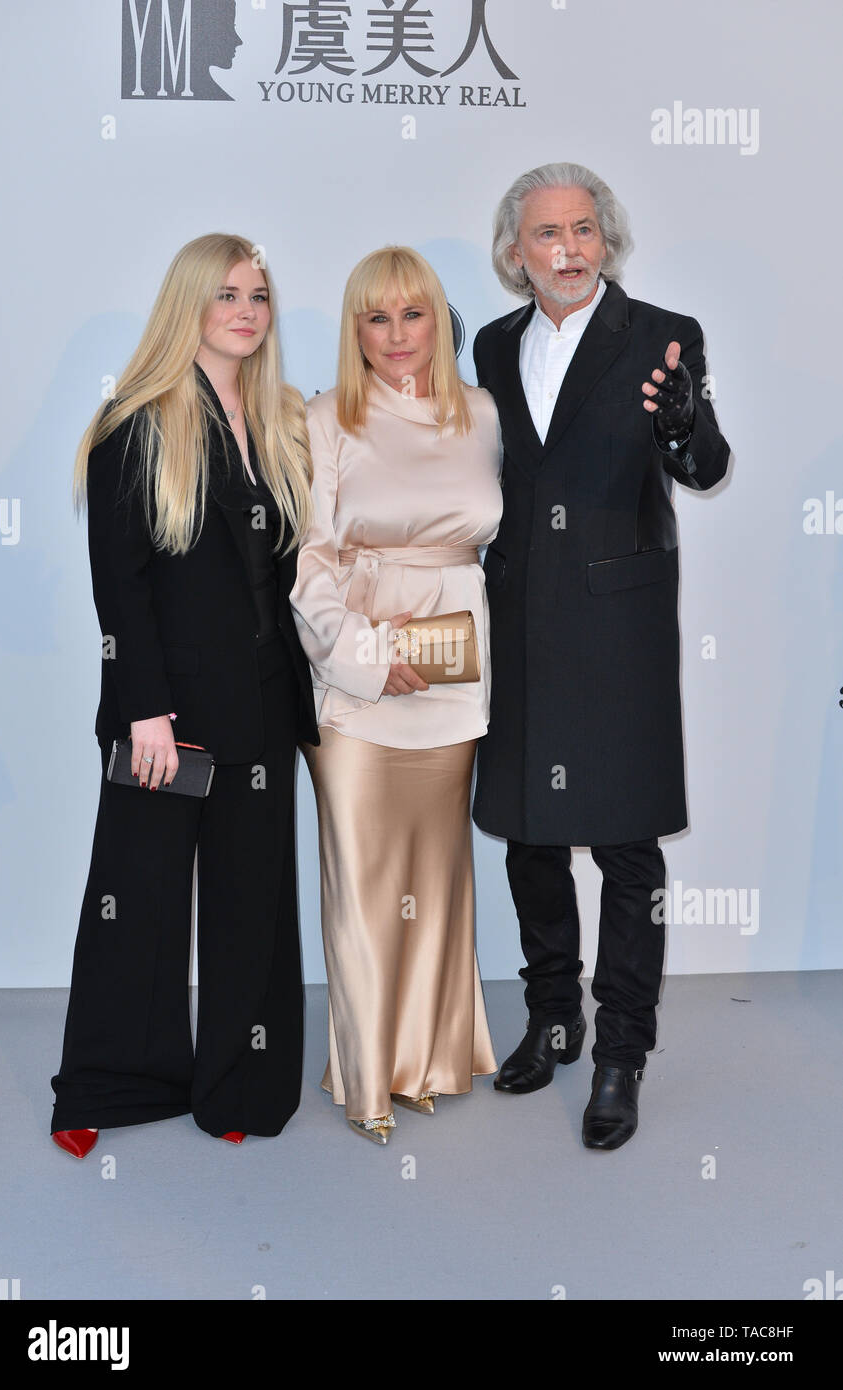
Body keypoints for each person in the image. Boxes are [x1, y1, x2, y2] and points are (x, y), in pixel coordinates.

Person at [472, 162, 731, 1150]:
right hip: (519, 622)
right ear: (515, 252)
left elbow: (702, 467)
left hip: (615, 630)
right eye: (547, 234)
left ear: (606, 239)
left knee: (625, 847)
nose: (569, 248)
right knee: (530, 835)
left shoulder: (664, 336)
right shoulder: (492, 346)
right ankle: (553, 1016)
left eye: (584, 229)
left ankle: (622, 1050)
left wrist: (683, 423)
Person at [50, 233, 318, 1156]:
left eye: (259, 294)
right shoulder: (137, 420)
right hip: (163, 713)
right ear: (188, 306)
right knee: (138, 899)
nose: (246, 310)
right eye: (226, 294)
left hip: (264, 704)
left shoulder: (283, 419)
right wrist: (145, 710)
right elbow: (119, 585)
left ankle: (237, 1089)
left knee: (253, 903)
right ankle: (108, 1086)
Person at [289, 246, 502, 1144]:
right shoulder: (325, 417)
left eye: (412, 315)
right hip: (358, 682)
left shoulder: (484, 414)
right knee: (364, 884)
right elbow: (308, 561)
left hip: (454, 677)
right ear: (355, 332)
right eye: (375, 319)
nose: (396, 336)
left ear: (436, 321)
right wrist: (366, 657)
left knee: (436, 878)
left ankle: (428, 1061)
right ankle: (370, 1075)